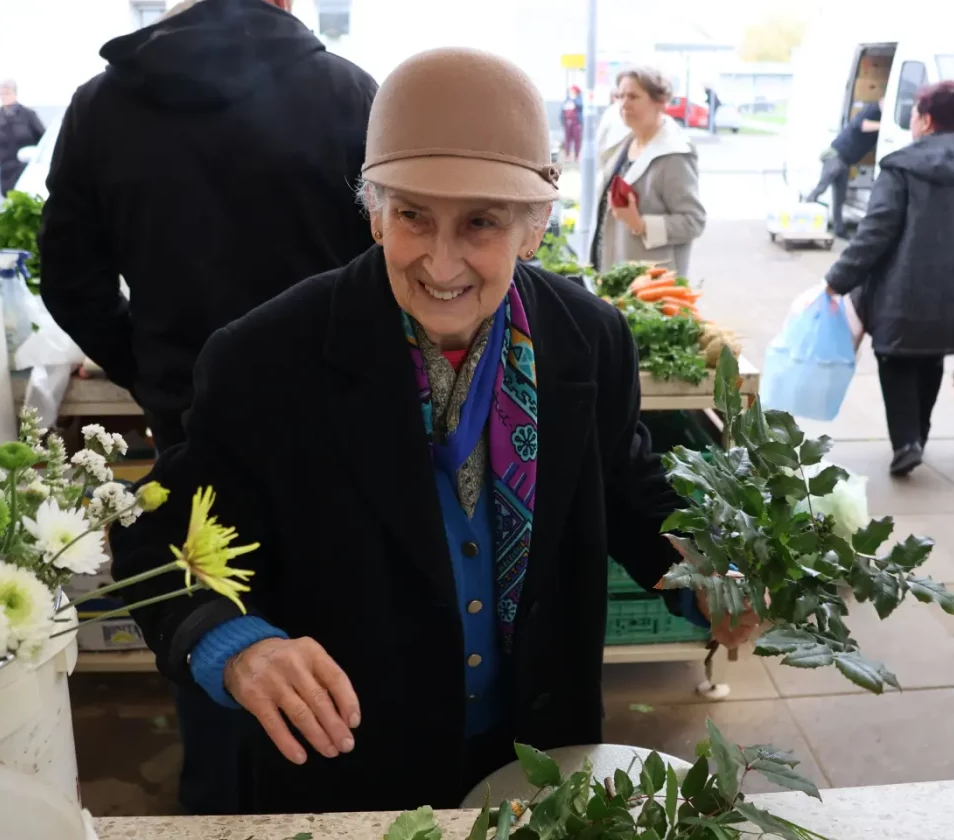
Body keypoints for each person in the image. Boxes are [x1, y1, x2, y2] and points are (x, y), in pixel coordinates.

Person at [108, 47, 754, 815]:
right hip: (351, 763)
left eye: (480, 222)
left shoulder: (587, 337)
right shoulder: (265, 359)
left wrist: (706, 575)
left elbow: (621, 487)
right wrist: (235, 645)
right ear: (375, 209)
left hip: (536, 750)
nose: (442, 262)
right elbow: (156, 542)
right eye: (414, 215)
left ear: (532, 227)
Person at [38, 0, 378, 815]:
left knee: (206, 602)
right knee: (349, 610)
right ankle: (351, 791)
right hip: (341, 425)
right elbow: (389, 268)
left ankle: (219, 814)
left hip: (189, 417)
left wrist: (147, 364)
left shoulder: (99, 106)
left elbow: (69, 280)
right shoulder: (349, 95)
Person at [824, 81, 954, 477]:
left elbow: (876, 232)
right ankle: (917, 438)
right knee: (931, 356)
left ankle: (907, 441)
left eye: (912, 115)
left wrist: (836, 281)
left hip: (905, 294)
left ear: (925, 120)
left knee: (894, 356)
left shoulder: (899, 166)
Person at [588, 67, 706, 275]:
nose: (624, 103)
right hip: (613, 273)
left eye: (633, 96)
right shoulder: (624, 145)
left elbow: (693, 221)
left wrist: (641, 225)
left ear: (660, 102)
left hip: (650, 287)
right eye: (620, 95)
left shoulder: (674, 154)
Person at [805, 98, 882, 239]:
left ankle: (839, 230)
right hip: (836, 156)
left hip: (845, 162)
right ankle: (804, 216)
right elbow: (862, 125)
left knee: (839, 198)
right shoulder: (873, 110)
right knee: (821, 189)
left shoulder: (878, 115)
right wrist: (884, 125)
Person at [0, 80, 46, 194]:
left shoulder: (28, 115)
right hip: (6, 168)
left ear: (14, 94)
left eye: (7, 93)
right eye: (2, 94)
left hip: (26, 168)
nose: (4, 97)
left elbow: (43, 138)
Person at [561, 85, 583, 162]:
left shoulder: (579, 99)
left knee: (577, 140)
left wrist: (574, 99)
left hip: (576, 122)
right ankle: (567, 156)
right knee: (567, 140)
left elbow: (580, 106)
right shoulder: (567, 100)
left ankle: (577, 156)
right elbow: (562, 111)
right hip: (567, 122)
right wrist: (562, 120)